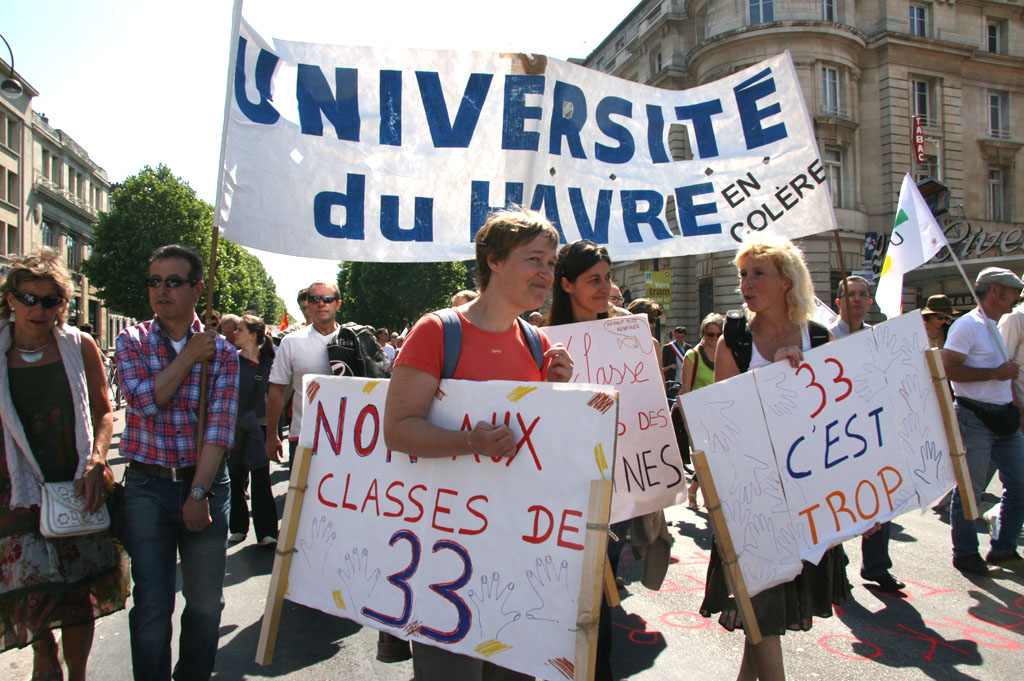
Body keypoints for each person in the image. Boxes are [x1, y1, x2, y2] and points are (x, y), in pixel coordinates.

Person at [384, 209, 573, 681]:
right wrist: (469, 442)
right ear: (494, 261)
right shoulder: (437, 331)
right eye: (535, 260)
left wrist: (558, 394)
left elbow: (536, 449)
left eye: (551, 263)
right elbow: (398, 428)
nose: (547, 274)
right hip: (444, 554)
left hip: (515, 553)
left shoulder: (537, 344)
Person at [702, 234, 849, 681]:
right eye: (742, 274)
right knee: (761, 612)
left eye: (757, 274)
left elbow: (837, 424)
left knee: (762, 622)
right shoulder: (735, 338)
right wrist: (774, 388)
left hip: (805, 501)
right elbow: (723, 420)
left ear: (786, 282)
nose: (745, 283)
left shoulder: (820, 337)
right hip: (752, 498)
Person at [0, 250, 129, 681]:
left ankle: (78, 675)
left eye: (50, 300)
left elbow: (104, 410)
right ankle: (42, 652)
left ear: (64, 304)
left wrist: (96, 461)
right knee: (30, 588)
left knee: (78, 593)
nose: (39, 309)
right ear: (11, 299)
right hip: (14, 489)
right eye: (28, 298)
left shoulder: (79, 344)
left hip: (76, 482)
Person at [116, 244, 239, 681]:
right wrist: (189, 356)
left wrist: (199, 493)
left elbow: (219, 431)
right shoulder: (131, 339)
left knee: (206, 603)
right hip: (147, 489)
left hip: (204, 485)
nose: (161, 291)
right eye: (154, 281)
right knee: (152, 602)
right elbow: (144, 401)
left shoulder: (223, 352)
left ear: (197, 288)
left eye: (173, 282)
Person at [942, 267, 1024, 575]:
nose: (1017, 297)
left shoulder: (996, 325)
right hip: (974, 416)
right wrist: (994, 373)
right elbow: (948, 369)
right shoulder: (968, 326)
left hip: (1004, 419)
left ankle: (1003, 548)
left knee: (1020, 483)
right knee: (970, 490)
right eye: (1013, 292)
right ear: (995, 292)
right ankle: (965, 552)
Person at [828, 276, 905, 594]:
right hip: (837, 433)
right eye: (850, 294)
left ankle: (876, 567)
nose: (857, 299)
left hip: (872, 430)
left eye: (862, 294)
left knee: (880, 497)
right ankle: (836, 569)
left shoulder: (877, 338)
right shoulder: (825, 337)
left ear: (870, 302)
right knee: (837, 502)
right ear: (838, 301)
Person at [265, 281, 341, 465]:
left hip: (345, 437)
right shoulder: (291, 342)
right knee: (301, 493)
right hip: (303, 435)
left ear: (337, 304)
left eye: (327, 299)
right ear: (308, 305)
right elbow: (276, 389)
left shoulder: (354, 340)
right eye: (315, 299)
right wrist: (271, 434)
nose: (321, 303)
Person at [227, 314, 279, 546]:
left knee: (260, 478)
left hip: (260, 427)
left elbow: (279, 396)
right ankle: (238, 527)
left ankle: (267, 532)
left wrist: (274, 429)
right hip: (235, 426)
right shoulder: (230, 361)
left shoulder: (271, 364)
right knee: (236, 478)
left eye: (239, 329)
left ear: (253, 335)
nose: (234, 333)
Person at [678, 312, 724, 510]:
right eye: (710, 334)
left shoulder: (726, 354)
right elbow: (686, 389)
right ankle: (702, 493)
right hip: (699, 416)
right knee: (707, 458)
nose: (714, 338)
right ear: (703, 334)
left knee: (717, 458)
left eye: (717, 334)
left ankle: (695, 490)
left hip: (721, 415)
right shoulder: (693, 356)